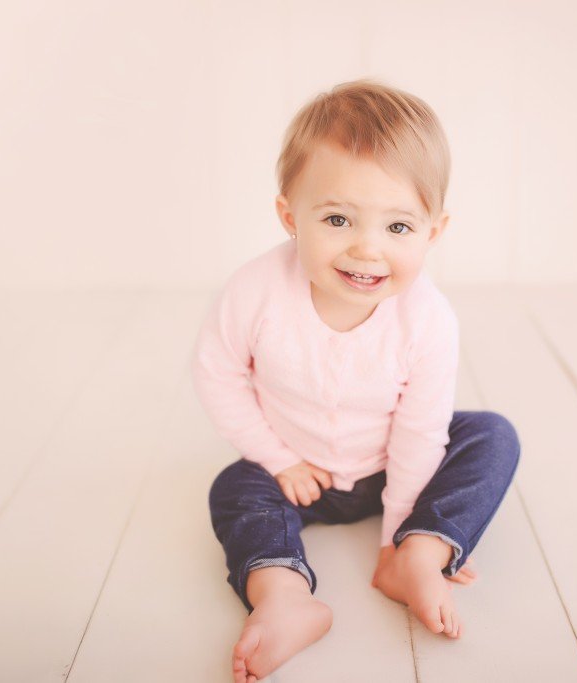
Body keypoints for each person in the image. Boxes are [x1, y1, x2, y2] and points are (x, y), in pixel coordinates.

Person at [191, 78, 521, 683]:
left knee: (491, 436)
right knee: (233, 488)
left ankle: (424, 550)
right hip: (295, 473)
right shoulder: (256, 292)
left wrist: (396, 534)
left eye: (398, 228)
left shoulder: (427, 321)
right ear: (291, 217)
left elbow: (421, 431)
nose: (367, 249)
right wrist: (277, 458)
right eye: (338, 219)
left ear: (433, 232)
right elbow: (218, 372)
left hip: (393, 468)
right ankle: (283, 593)